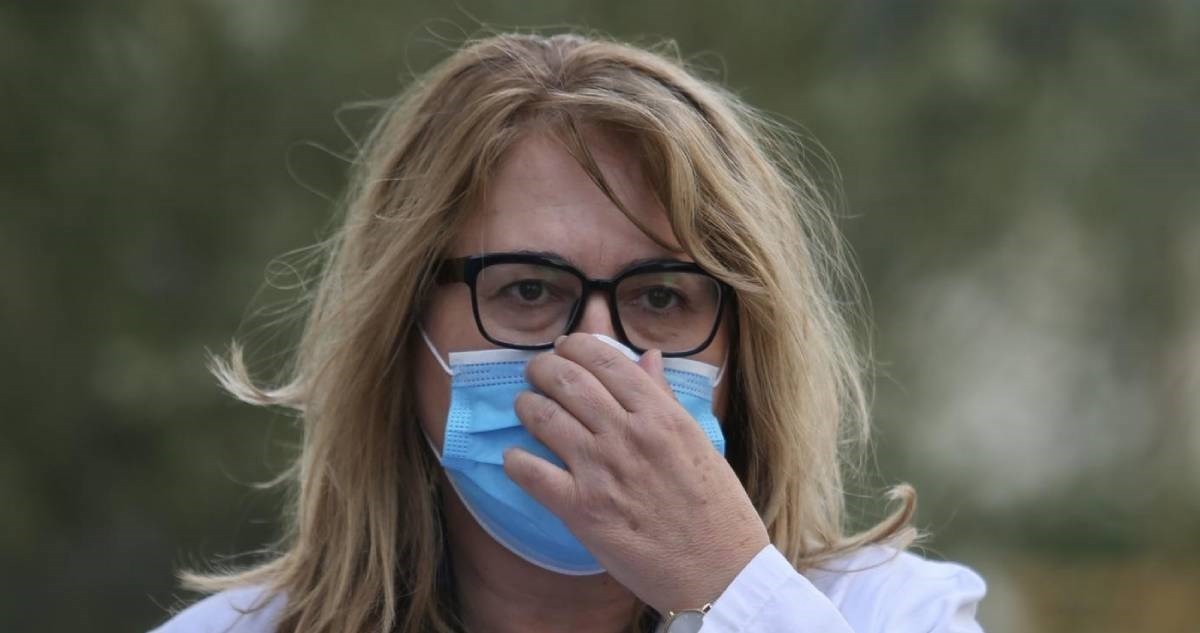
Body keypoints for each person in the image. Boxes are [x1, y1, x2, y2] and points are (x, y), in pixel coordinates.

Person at [150, 32, 985, 633]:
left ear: (744, 350)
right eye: (529, 289)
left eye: (661, 297)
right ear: (403, 330)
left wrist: (731, 588)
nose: (597, 354)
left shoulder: (893, 613)